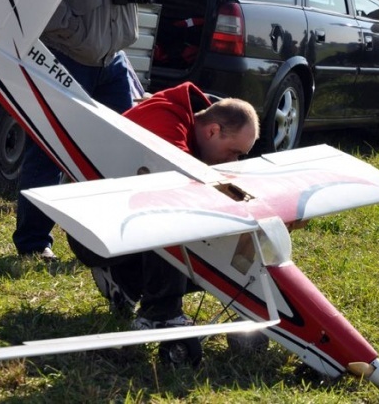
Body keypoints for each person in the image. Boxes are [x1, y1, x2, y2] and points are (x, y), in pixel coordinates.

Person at [13, 0, 139, 260]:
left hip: (110, 61)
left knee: (120, 153)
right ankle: (33, 244)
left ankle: (105, 240)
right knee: (48, 151)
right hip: (69, 58)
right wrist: (79, 34)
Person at [68, 82, 260, 329]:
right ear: (212, 131)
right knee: (176, 215)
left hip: (116, 222)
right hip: (89, 232)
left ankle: (125, 280)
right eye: (234, 152)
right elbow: (179, 189)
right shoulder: (167, 122)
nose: (233, 161)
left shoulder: (190, 126)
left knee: (217, 250)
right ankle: (160, 314)